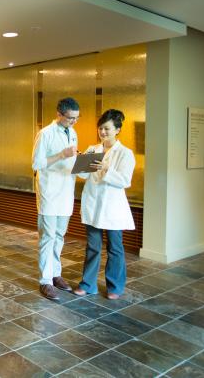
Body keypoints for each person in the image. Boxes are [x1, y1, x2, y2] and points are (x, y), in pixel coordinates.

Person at [73, 109, 135, 300]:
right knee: (93, 246)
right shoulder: (94, 149)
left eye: (107, 128)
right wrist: (80, 161)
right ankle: (88, 284)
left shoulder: (125, 153)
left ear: (117, 130)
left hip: (112, 208)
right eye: (101, 128)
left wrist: (107, 169)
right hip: (93, 203)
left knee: (115, 247)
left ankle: (115, 287)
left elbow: (125, 181)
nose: (103, 132)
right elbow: (82, 176)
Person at [32, 97, 80, 300]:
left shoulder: (73, 132)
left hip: (66, 192)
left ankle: (55, 274)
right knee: (47, 237)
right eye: (70, 118)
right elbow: (36, 163)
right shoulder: (45, 134)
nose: (74, 122)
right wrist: (61, 154)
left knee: (59, 236)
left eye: (77, 118)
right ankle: (45, 281)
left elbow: (72, 160)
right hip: (49, 193)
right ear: (59, 114)